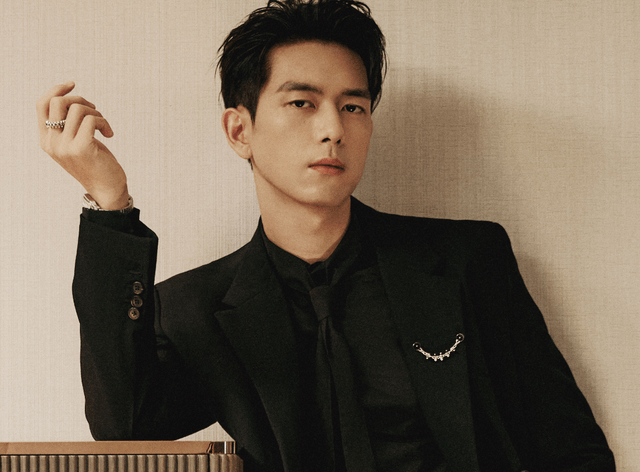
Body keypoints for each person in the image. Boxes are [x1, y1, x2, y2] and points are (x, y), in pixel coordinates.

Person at [37, 0, 615, 471]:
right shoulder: (197, 308)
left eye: (353, 107)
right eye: (302, 103)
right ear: (240, 130)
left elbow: (572, 451)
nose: (333, 129)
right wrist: (110, 203)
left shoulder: (466, 262)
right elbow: (123, 427)